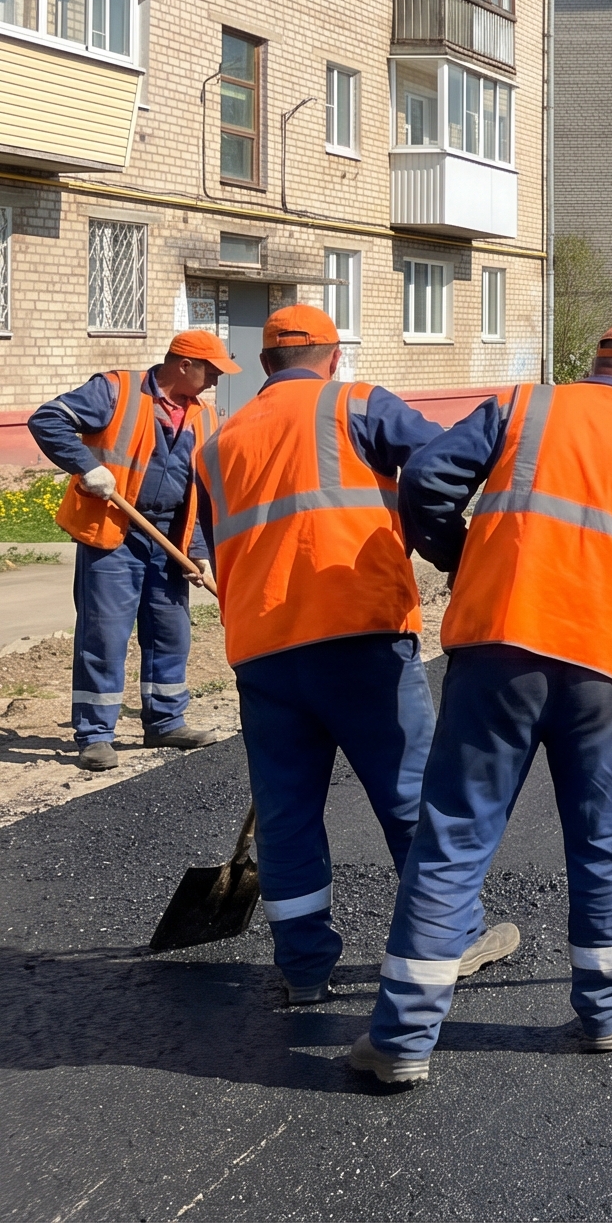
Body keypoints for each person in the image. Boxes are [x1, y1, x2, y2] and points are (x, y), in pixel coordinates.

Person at [349, 319, 612, 1085]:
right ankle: (610, 1014)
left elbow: (426, 483)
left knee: (452, 838)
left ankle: (403, 1041)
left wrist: (465, 555)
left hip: (499, 648)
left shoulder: (523, 406)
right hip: (607, 668)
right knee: (604, 840)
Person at [195, 305, 517, 1005]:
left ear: (263, 366)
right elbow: (441, 461)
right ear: (334, 357)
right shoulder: (357, 404)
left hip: (264, 649)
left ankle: (305, 971)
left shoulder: (215, 445)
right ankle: (455, 939)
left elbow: (217, 544)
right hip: (359, 634)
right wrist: (450, 543)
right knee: (410, 797)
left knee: (286, 814)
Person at [31, 332, 239, 771]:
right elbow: (47, 419)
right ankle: (95, 735)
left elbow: (199, 490)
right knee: (104, 635)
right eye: (212, 371)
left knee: (171, 632)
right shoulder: (116, 390)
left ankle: (165, 720)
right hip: (114, 530)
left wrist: (198, 548)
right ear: (184, 364)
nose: (216, 380)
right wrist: (88, 467)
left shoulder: (203, 416)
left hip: (168, 536)